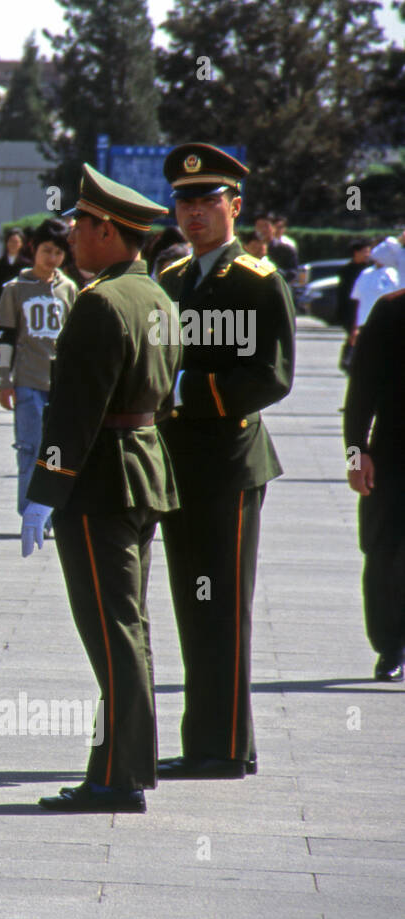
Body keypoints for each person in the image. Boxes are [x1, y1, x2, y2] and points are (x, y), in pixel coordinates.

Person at [21, 163, 181, 814]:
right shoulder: (158, 297)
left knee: (112, 631)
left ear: (110, 233)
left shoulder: (99, 303)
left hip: (99, 482)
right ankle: (119, 765)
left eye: (84, 224)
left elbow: (74, 410)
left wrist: (45, 488)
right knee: (130, 625)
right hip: (143, 468)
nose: (75, 233)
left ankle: (118, 777)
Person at [155, 143, 295, 781]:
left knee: (223, 608)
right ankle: (212, 739)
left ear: (235, 206)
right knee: (193, 604)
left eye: (208, 200)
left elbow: (272, 375)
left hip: (229, 467)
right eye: (185, 201)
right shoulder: (173, 280)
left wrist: (187, 391)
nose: (195, 213)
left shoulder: (258, 282)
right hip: (179, 465)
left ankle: (226, 747)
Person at [0, 218, 77, 519]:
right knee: (30, 449)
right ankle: (29, 511)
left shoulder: (69, 289)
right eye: (46, 251)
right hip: (28, 382)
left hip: (60, 385)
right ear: (33, 249)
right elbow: (3, 337)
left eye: (58, 252)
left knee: (55, 451)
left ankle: (49, 512)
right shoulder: (15, 289)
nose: (51, 258)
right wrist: (3, 380)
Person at [343, 288, 405, 682]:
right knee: (384, 554)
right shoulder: (391, 310)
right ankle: (390, 647)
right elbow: (360, 390)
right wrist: (354, 456)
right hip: (392, 456)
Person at [336, 239, 373, 372]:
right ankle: (347, 359)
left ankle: (353, 360)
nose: (367, 255)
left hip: (364, 306)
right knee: (352, 334)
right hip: (350, 307)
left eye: (368, 252)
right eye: (365, 252)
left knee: (359, 336)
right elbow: (342, 292)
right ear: (356, 253)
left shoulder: (369, 270)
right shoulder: (347, 270)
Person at [0, 227, 30, 322]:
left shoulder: (27, 265)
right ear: (6, 243)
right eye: (11, 241)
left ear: (21, 244)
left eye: (16, 242)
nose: (13, 244)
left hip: (21, 309)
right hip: (1, 307)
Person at [253, 212, 298, 285]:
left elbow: (292, 274)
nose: (263, 230)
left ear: (274, 228)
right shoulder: (248, 249)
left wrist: (272, 269)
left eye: (266, 226)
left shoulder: (286, 250)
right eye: (259, 226)